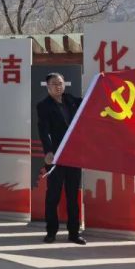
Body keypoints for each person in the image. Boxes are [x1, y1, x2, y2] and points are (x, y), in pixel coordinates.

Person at [36, 72, 86, 245]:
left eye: (60, 83)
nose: (58, 86)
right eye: (54, 84)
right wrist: (48, 151)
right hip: (55, 157)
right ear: (48, 86)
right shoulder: (43, 106)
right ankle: (51, 232)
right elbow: (43, 130)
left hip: (73, 155)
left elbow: (91, 101)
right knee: (53, 196)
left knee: (73, 195)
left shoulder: (72, 100)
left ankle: (74, 233)